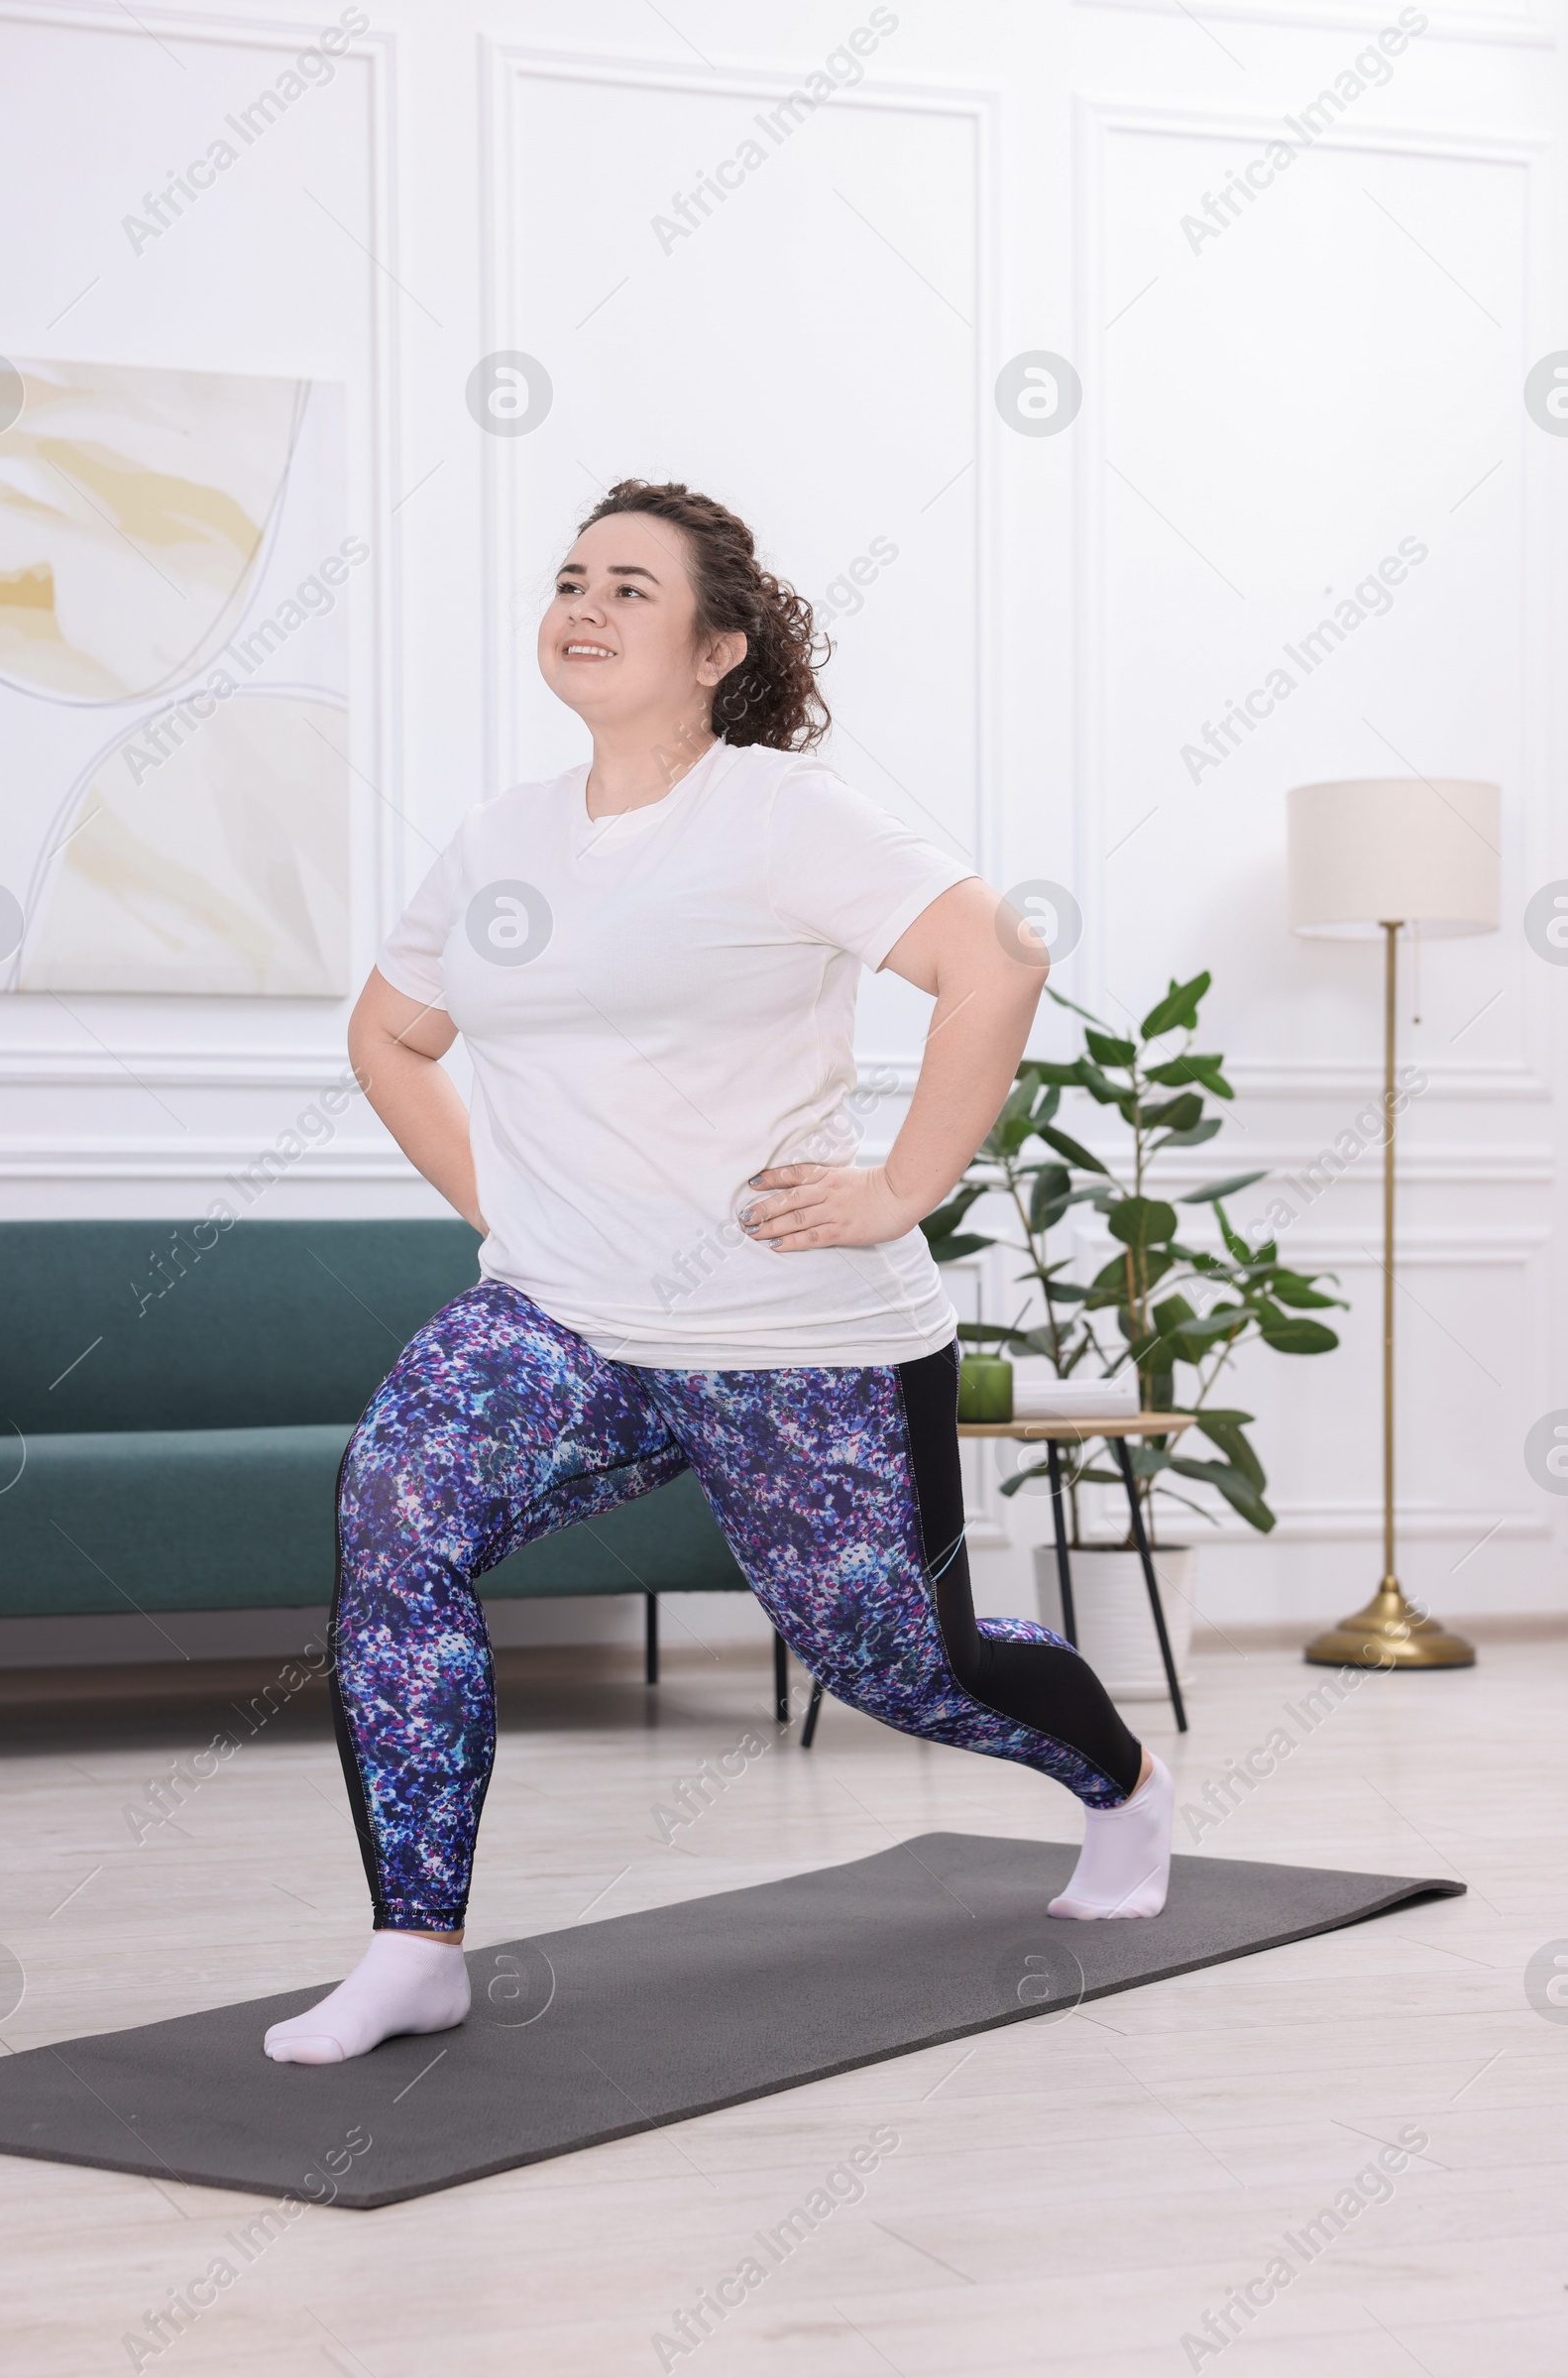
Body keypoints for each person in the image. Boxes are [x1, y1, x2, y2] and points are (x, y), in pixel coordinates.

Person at [265, 481, 1174, 2067]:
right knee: (394, 1513)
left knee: (903, 1660)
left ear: (717, 645)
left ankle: (1125, 1791)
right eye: (569, 578)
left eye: (632, 585)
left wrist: (902, 1190)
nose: (586, 605)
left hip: (792, 1330)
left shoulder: (782, 815)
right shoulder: (502, 842)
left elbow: (995, 960)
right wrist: (513, 1209)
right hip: (562, 1317)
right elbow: (392, 1033)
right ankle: (416, 1941)